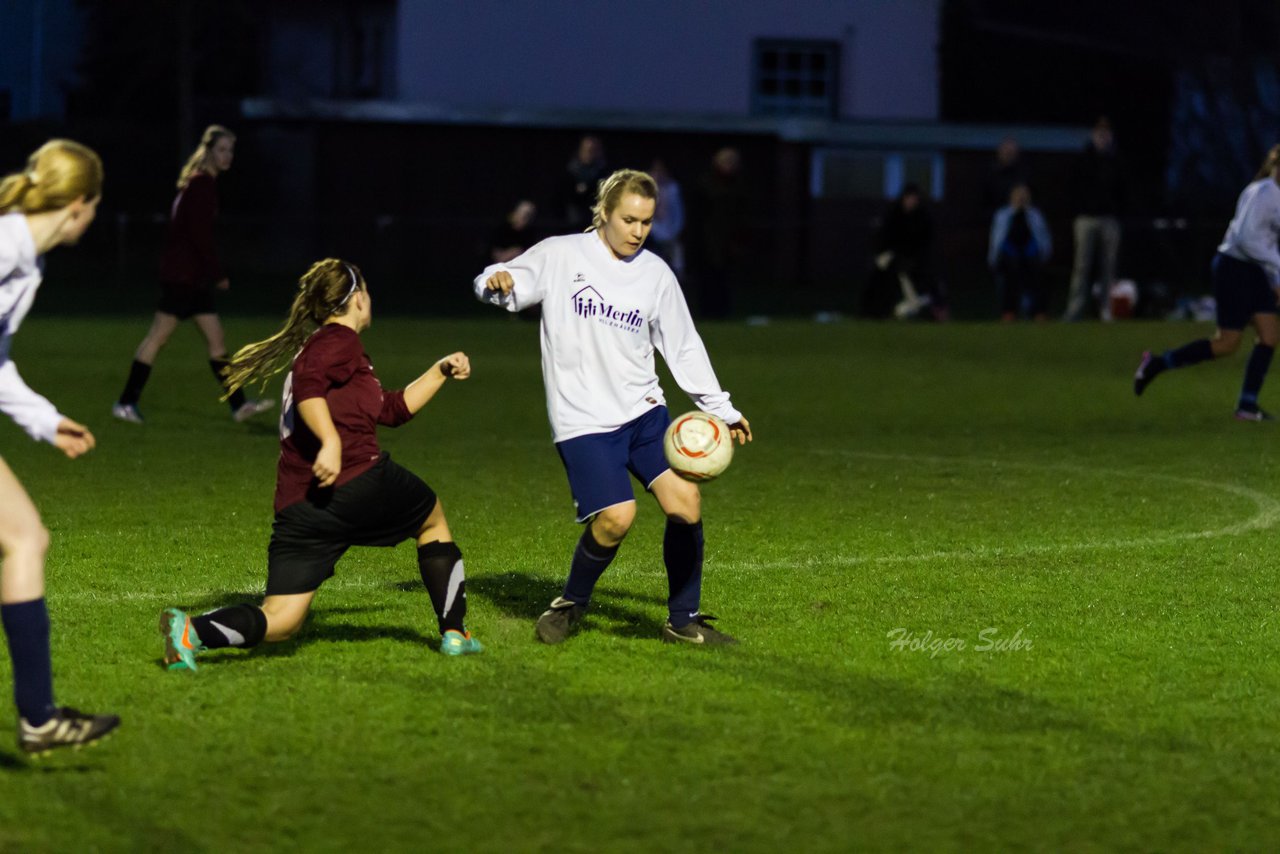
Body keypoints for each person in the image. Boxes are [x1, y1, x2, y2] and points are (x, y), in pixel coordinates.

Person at [159, 258, 483, 671]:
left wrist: (440, 370)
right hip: (356, 479)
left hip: (304, 505)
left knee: (282, 621)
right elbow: (310, 382)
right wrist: (330, 442)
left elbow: (391, 409)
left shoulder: (334, 352)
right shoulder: (335, 342)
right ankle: (456, 633)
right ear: (358, 299)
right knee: (432, 520)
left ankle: (190, 631)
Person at [474, 169, 752, 646]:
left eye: (646, 222)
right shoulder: (563, 255)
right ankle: (570, 603)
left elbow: (683, 347)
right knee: (616, 518)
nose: (638, 232)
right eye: (629, 220)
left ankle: (682, 621)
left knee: (685, 503)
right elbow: (502, 280)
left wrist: (721, 409)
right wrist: (494, 281)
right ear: (604, 212)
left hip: (644, 414)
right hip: (582, 419)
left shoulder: (655, 274)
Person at [0, 140, 120, 754]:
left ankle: (39, 718)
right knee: (23, 539)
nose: (95, 216)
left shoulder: (27, 264)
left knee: (25, 538)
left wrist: (46, 422)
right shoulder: (4, 246)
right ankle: (39, 717)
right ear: (78, 204)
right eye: (96, 205)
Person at [112, 124, 273, 424]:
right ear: (209, 151)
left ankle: (239, 405)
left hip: (192, 279)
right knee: (157, 338)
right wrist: (218, 274)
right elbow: (198, 237)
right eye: (222, 150)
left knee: (217, 341)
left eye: (231, 151)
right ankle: (125, 403)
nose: (228, 156)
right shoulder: (201, 186)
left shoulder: (201, 184)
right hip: (184, 278)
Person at [1134, 145, 1280, 421]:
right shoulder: (1262, 193)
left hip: (1255, 270)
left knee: (1270, 336)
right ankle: (1156, 364)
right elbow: (1246, 241)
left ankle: (1247, 406)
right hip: (1234, 267)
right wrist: (1278, 268)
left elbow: (1267, 245)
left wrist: (1275, 277)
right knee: (1227, 344)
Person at [1063, 117, 1125, 321]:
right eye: (1100, 134)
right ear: (1093, 136)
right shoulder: (1083, 159)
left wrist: (1118, 210)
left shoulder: (1116, 161)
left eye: (1106, 134)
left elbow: (1124, 190)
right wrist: (1078, 209)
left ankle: (1106, 309)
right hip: (1086, 219)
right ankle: (1075, 309)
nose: (1103, 138)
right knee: (1082, 266)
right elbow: (1072, 188)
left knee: (1109, 266)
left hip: (1109, 219)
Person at [862, 183, 938, 320]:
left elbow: (923, 241)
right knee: (881, 280)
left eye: (914, 199)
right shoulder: (895, 215)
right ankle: (878, 310)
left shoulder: (921, 218)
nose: (911, 202)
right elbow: (885, 237)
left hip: (911, 261)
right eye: (909, 198)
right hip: (894, 258)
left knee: (909, 282)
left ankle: (913, 308)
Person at [691, 147, 748, 319]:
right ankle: (707, 311)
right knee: (708, 278)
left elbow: (740, 216)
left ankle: (723, 311)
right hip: (708, 240)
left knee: (725, 278)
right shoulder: (706, 184)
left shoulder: (738, 186)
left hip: (728, 241)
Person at [989, 183, 1053, 321]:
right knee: (1009, 273)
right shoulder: (1003, 215)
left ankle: (1039, 311)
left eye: (1024, 195)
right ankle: (1009, 311)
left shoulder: (1035, 215)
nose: (1021, 198)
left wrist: (1045, 254)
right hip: (1009, 253)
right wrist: (993, 258)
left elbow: (1043, 236)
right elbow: (996, 238)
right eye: (1018, 195)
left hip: (1030, 253)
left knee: (1037, 275)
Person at [558, 134, 609, 231]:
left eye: (592, 150)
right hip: (571, 221)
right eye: (586, 150)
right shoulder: (570, 171)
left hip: (595, 221)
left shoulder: (604, 173)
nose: (588, 154)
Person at [647, 158, 686, 278]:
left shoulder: (672, 189)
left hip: (671, 236)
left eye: (661, 171)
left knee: (675, 263)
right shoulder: (644, 191)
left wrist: (673, 233)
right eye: (655, 171)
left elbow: (678, 214)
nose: (658, 175)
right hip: (651, 238)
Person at [489, 199, 538, 264]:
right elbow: (496, 256)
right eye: (524, 214)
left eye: (529, 215)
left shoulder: (530, 234)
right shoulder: (500, 230)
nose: (526, 218)